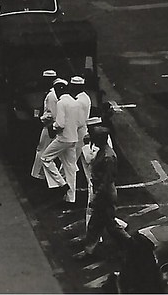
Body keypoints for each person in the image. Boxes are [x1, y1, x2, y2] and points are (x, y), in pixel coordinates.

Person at [40, 80, 84, 204]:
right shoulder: (75, 102)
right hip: (73, 138)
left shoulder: (61, 103)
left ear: (59, 90)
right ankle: (71, 198)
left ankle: (61, 184)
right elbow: (80, 122)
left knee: (45, 158)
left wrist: (52, 126)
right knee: (70, 168)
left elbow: (60, 124)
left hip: (63, 138)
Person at [78, 124, 118, 257]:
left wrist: (95, 198)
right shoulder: (103, 152)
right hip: (102, 193)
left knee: (110, 226)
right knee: (96, 224)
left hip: (105, 195)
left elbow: (106, 182)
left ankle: (131, 244)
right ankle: (88, 250)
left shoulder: (108, 157)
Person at [31, 70, 61, 180]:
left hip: (49, 127)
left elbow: (51, 115)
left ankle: (39, 175)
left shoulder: (51, 95)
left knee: (42, 150)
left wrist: (41, 118)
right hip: (51, 126)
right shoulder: (51, 94)